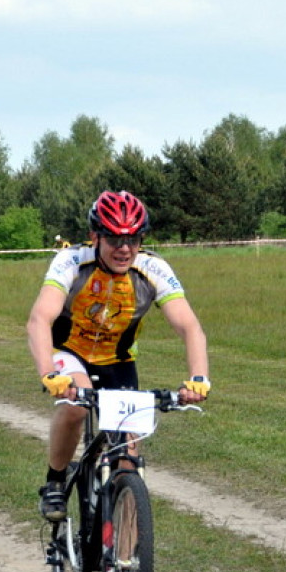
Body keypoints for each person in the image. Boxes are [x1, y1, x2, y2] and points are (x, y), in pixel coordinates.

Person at [26, 190, 211, 521]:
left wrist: (198, 378)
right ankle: (55, 482)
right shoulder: (71, 262)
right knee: (76, 407)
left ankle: (125, 563)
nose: (124, 248)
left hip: (119, 363)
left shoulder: (152, 269)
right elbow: (41, 318)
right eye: (114, 238)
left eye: (133, 238)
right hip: (69, 352)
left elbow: (189, 326)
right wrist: (48, 374)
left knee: (128, 460)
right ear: (94, 236)